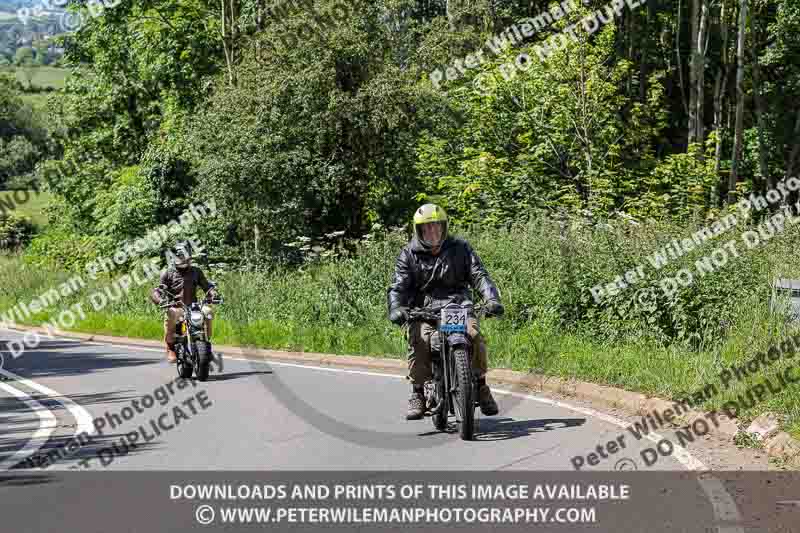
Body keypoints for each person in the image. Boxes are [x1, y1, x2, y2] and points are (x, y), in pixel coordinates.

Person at [387, 203, 505, 420]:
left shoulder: (461, 248)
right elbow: (398, 286)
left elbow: (479, 275)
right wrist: (396, 307)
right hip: (424, 311)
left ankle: (480, 385)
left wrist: (491, 298)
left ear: (444, 227)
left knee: (475, 336)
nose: (433, 232)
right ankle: (418, 393)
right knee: (420, 339)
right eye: (427, 228)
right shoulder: (408, 254)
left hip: (458, 306)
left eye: (437, 227)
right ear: (419, 231)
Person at [150, 242, 222, 371]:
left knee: (208, 311)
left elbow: (207, 286)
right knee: (172, 314)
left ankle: (206, 343)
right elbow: (158, 291)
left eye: (186, 256)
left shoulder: (196, 271)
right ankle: (171, 347)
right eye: (181, 257)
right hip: (176, 306)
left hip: (194, 306)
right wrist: (159, 299)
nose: (184, 259)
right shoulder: (168, 273)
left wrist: (213, 294)